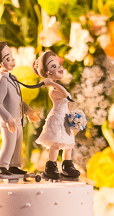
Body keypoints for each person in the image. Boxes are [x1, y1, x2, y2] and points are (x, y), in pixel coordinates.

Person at [0, 40, 39, 176]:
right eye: (7, 58)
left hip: (18, 120)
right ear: (0, 63)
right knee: (9, 145)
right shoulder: (3, 81)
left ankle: (13, 166)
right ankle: (0, 165)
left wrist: (28, 111)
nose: (12, 60)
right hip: (9, 122)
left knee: (17, 145)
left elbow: (18, 101)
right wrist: (8, 118)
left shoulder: (13, 78)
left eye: (11, 55)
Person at [33, 49, 80, 180]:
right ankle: (51, 166)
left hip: (65, 118)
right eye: (54, 66)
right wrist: (51, 83)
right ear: (48, 73)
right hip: (58, 118)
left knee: (68, 143)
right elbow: (67, 95)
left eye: (59, 65)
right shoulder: (53, 89)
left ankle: (67, 166)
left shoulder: (56, 85)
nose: (60, 68)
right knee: (56, 143)